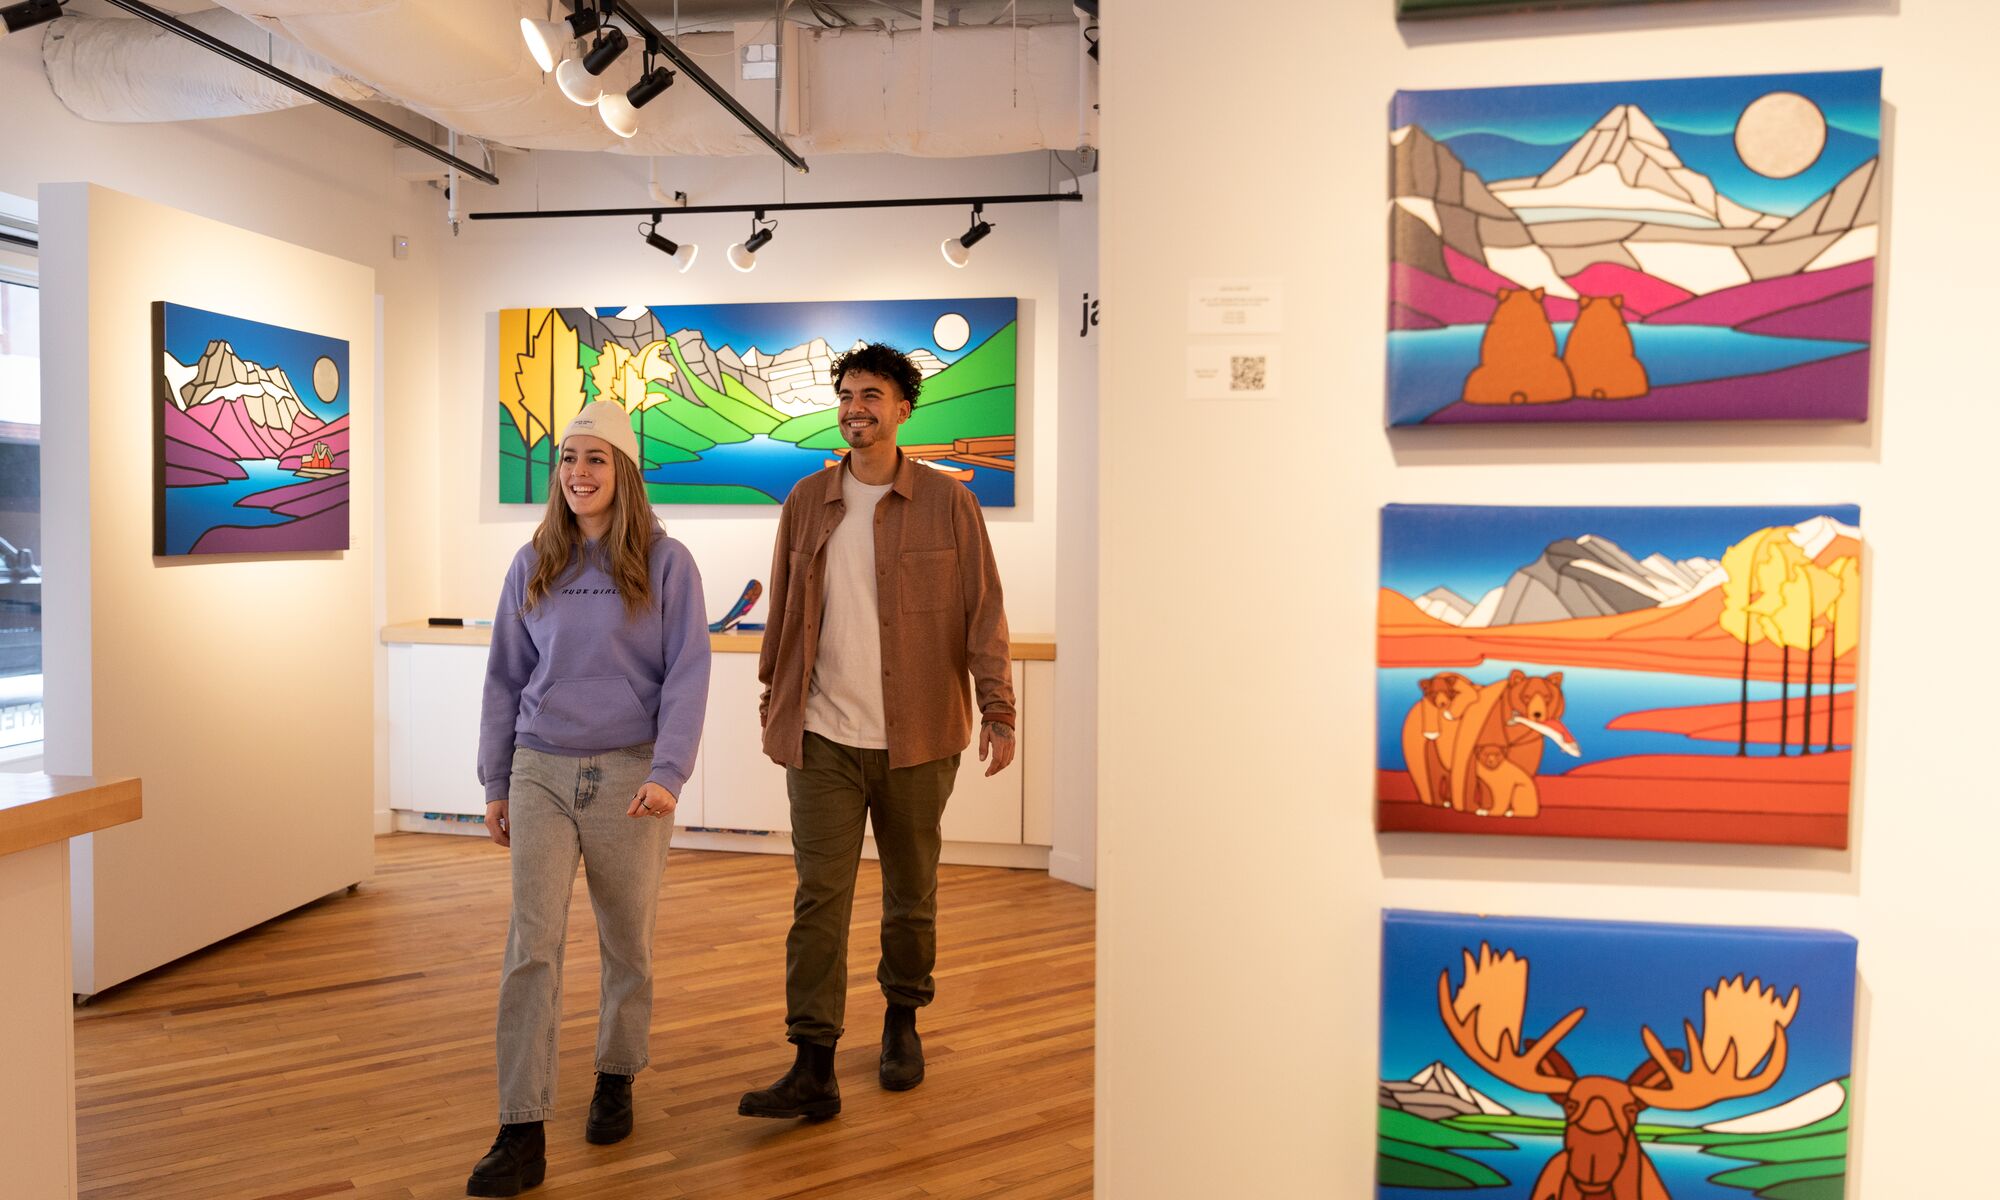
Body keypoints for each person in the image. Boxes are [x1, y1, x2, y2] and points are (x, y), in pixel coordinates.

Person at [738, 342, 1015, 1120]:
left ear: (902, 409)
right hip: (822, 737)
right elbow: (786, 606)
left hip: (920, 738)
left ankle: (901, 1020)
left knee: (910, 894)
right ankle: (813, 1062)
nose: (856, 407)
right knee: (817, 899)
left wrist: (998, 705)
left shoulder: (948, 502)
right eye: (847, 394)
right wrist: (772, 694)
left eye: (872, 395)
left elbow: (982, 611)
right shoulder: (805, 499)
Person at [467, 401, 712, 1197]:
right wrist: (494, 779)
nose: (578, 473)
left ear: (625, 470)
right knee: (530, 947)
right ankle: (520, 1126)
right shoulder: (532, 560)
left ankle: (615, 1073)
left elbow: (688, 674)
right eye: (569, 458)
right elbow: (504, 675)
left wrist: (668, 772)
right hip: (539, 768)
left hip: (630, 774)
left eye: (596, 459)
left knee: (626, 943)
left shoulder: (668, 563)